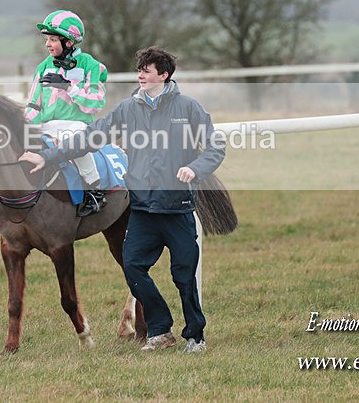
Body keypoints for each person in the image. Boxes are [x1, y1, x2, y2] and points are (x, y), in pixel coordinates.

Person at [20, 46, 226, 353]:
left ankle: (195, 336)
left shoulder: (188, 108)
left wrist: (195, 169)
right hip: (142, 209)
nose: (140, 74)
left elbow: (214, 147)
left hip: (176, 208)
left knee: (183, 276)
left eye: (147, 70)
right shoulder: (128, 109)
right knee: (132, 268)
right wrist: (47, 156)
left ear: (164, 75)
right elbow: (89, 137)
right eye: (139, 69)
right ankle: (160, 331)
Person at [24, 9, 108, 216]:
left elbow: (96, 103)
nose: (47, 44)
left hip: (77, 125)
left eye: (53, 39)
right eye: (47, 39)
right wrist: (24, 126)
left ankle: (94, 190)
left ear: (69, 42)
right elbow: (33, 104)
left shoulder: (90, 65)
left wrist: (69, 88)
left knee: (73, 137)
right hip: (47, 125)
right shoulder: (43, 67)